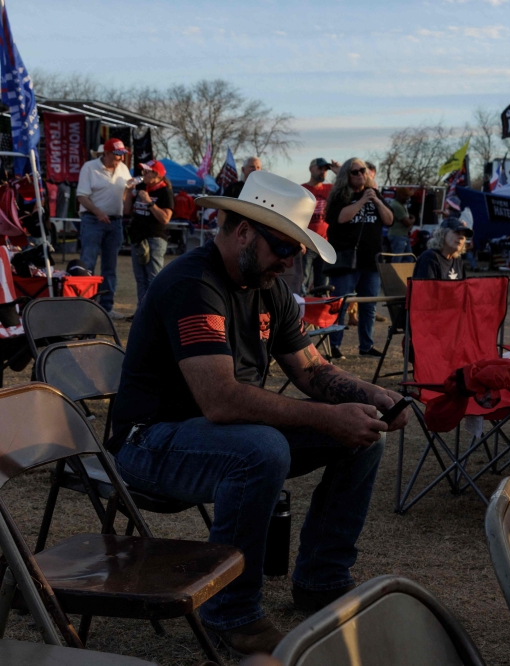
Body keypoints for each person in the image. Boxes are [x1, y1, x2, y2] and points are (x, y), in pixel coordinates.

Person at [110, 171, 408, 656]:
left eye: (298, 251)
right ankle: (230, 612)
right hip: (148, 442)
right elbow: (221, 400)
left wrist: (372, 395)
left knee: (362, 433)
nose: (289, 263)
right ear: (244, 229)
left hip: (223, 434)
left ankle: (321, 579)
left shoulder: (266, 284)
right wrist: (327, 418)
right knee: (262, 449)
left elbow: (312, 371)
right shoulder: (192, 282)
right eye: (283, 248)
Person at [325, 158, 394, 358]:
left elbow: (389, 220)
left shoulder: (374, 194)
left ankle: (366, 346)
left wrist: (376, 201)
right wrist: (361, 201)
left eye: (362, 171)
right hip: (347, 259)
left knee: (369, 305)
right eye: (355, 172)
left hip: (370, 260)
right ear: (346, 175)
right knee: (340, 303)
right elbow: (340, 218)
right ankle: (335, 346)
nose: (360, 174)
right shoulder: (340, 196)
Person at [76, 138, 132, 317]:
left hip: (115, 222)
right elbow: (81, 196)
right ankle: (85, 305)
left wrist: (130, 192)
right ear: (106, 153)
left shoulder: (123, 169)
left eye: (122, 155)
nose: (120, 159)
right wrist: (98, 212)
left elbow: (126, 192)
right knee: (88, 263)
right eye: (116, 155)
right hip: (92, 220)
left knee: (110, 267)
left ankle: (107, 308)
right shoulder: (89, 167)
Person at [124, 160, 174, 306]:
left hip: (154, 239)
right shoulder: (141, 187)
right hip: (137, 238)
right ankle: (141, 311)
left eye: (147, 172)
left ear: (156, 174)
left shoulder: (165, 191)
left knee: (153, 278)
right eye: (143, 171)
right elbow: (126, 211)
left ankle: (154, 314)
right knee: (140, 278)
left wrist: (149, 202)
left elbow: (165, 218)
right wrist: (127, 191)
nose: (143, 174)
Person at [301, 158, 339, 292]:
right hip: (306, 242)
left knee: (323, 284)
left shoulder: (329, 189)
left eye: (325, 170)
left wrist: (339, 172)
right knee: (302, 282)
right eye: (320, 168)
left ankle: (320, 311)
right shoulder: (302, 189)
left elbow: (347, 187)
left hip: (324, 243)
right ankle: (300, 309)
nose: (323, 172)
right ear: (311, 168)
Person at [387, 187, 415, 260]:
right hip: (398, 236)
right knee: (397, 260)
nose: (408, 198)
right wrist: (413, 219)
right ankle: (393, 272)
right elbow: (407, 222)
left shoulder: (400, 205)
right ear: (400, 195)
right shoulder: (396, 206)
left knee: (410, 259)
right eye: (406, 196)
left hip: (402, 236)